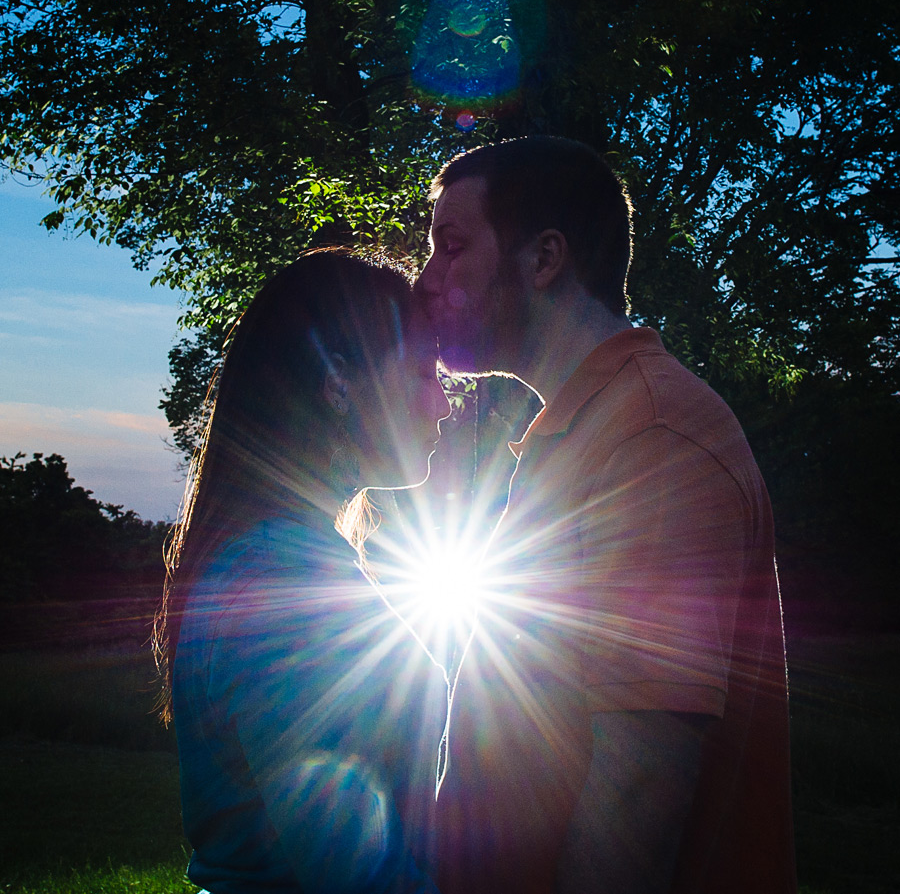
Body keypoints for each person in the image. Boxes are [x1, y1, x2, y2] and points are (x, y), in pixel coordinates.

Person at [416, 137, 797, 894]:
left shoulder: (653, 435)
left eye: (450, 246)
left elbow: (639, 787)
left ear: (545, 258)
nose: (425, 280)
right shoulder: (579, 428)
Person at [155, 248, 451, 894]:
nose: (443, 404)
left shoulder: (277, 558)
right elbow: (353, 869)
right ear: (338, 381)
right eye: (425, 373)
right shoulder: (284, 580)